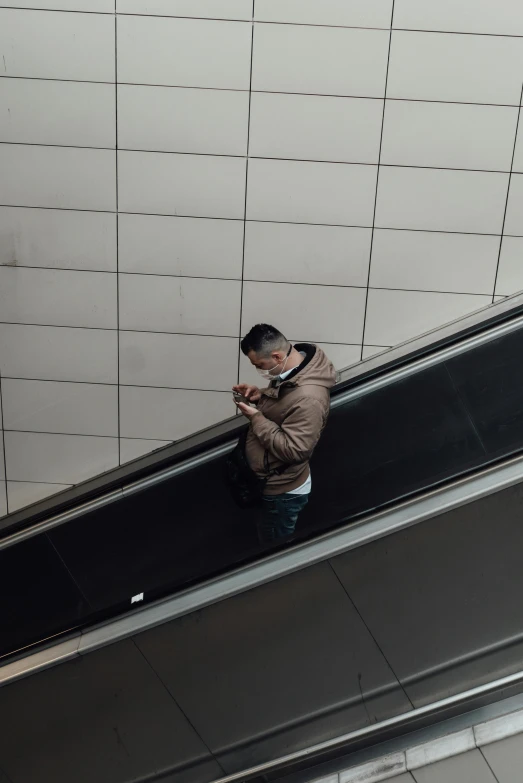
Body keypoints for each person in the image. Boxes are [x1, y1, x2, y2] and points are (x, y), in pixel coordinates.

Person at [233, 324, 337, 542]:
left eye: (260, 365)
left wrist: (256, 418)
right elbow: (285, 403)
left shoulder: (309, 399)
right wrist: (260, 396)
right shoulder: (294, 371)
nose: (259, 370)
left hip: (281, 492)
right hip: (269, 480)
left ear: (277, 356)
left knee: (273, 544)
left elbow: (295, 450)